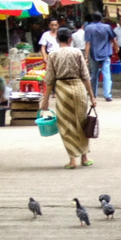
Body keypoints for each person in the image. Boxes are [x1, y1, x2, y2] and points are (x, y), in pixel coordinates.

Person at [41, 27, 97, 169]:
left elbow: (49, 79)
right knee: (82, 122)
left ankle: (72, 159)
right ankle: (84, 157)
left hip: (62, 89)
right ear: (70, 39)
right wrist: (92, 96)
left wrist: (46, 100)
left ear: (57, 39)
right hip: (78, 87)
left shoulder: (53, 55)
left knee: (66, 124)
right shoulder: (77, 52)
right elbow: (85, 76)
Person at [83, 11, 116, 102]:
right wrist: (116, 47)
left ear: (92, 18)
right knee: (106, 74)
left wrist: (86, 56)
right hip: (106, 54)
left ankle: (93, 93)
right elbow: (113, 38)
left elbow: (88, 43)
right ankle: (107, 95)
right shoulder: (107, 27)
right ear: (101, 18)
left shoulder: (88, 28)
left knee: (94, 74)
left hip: (94, 54)